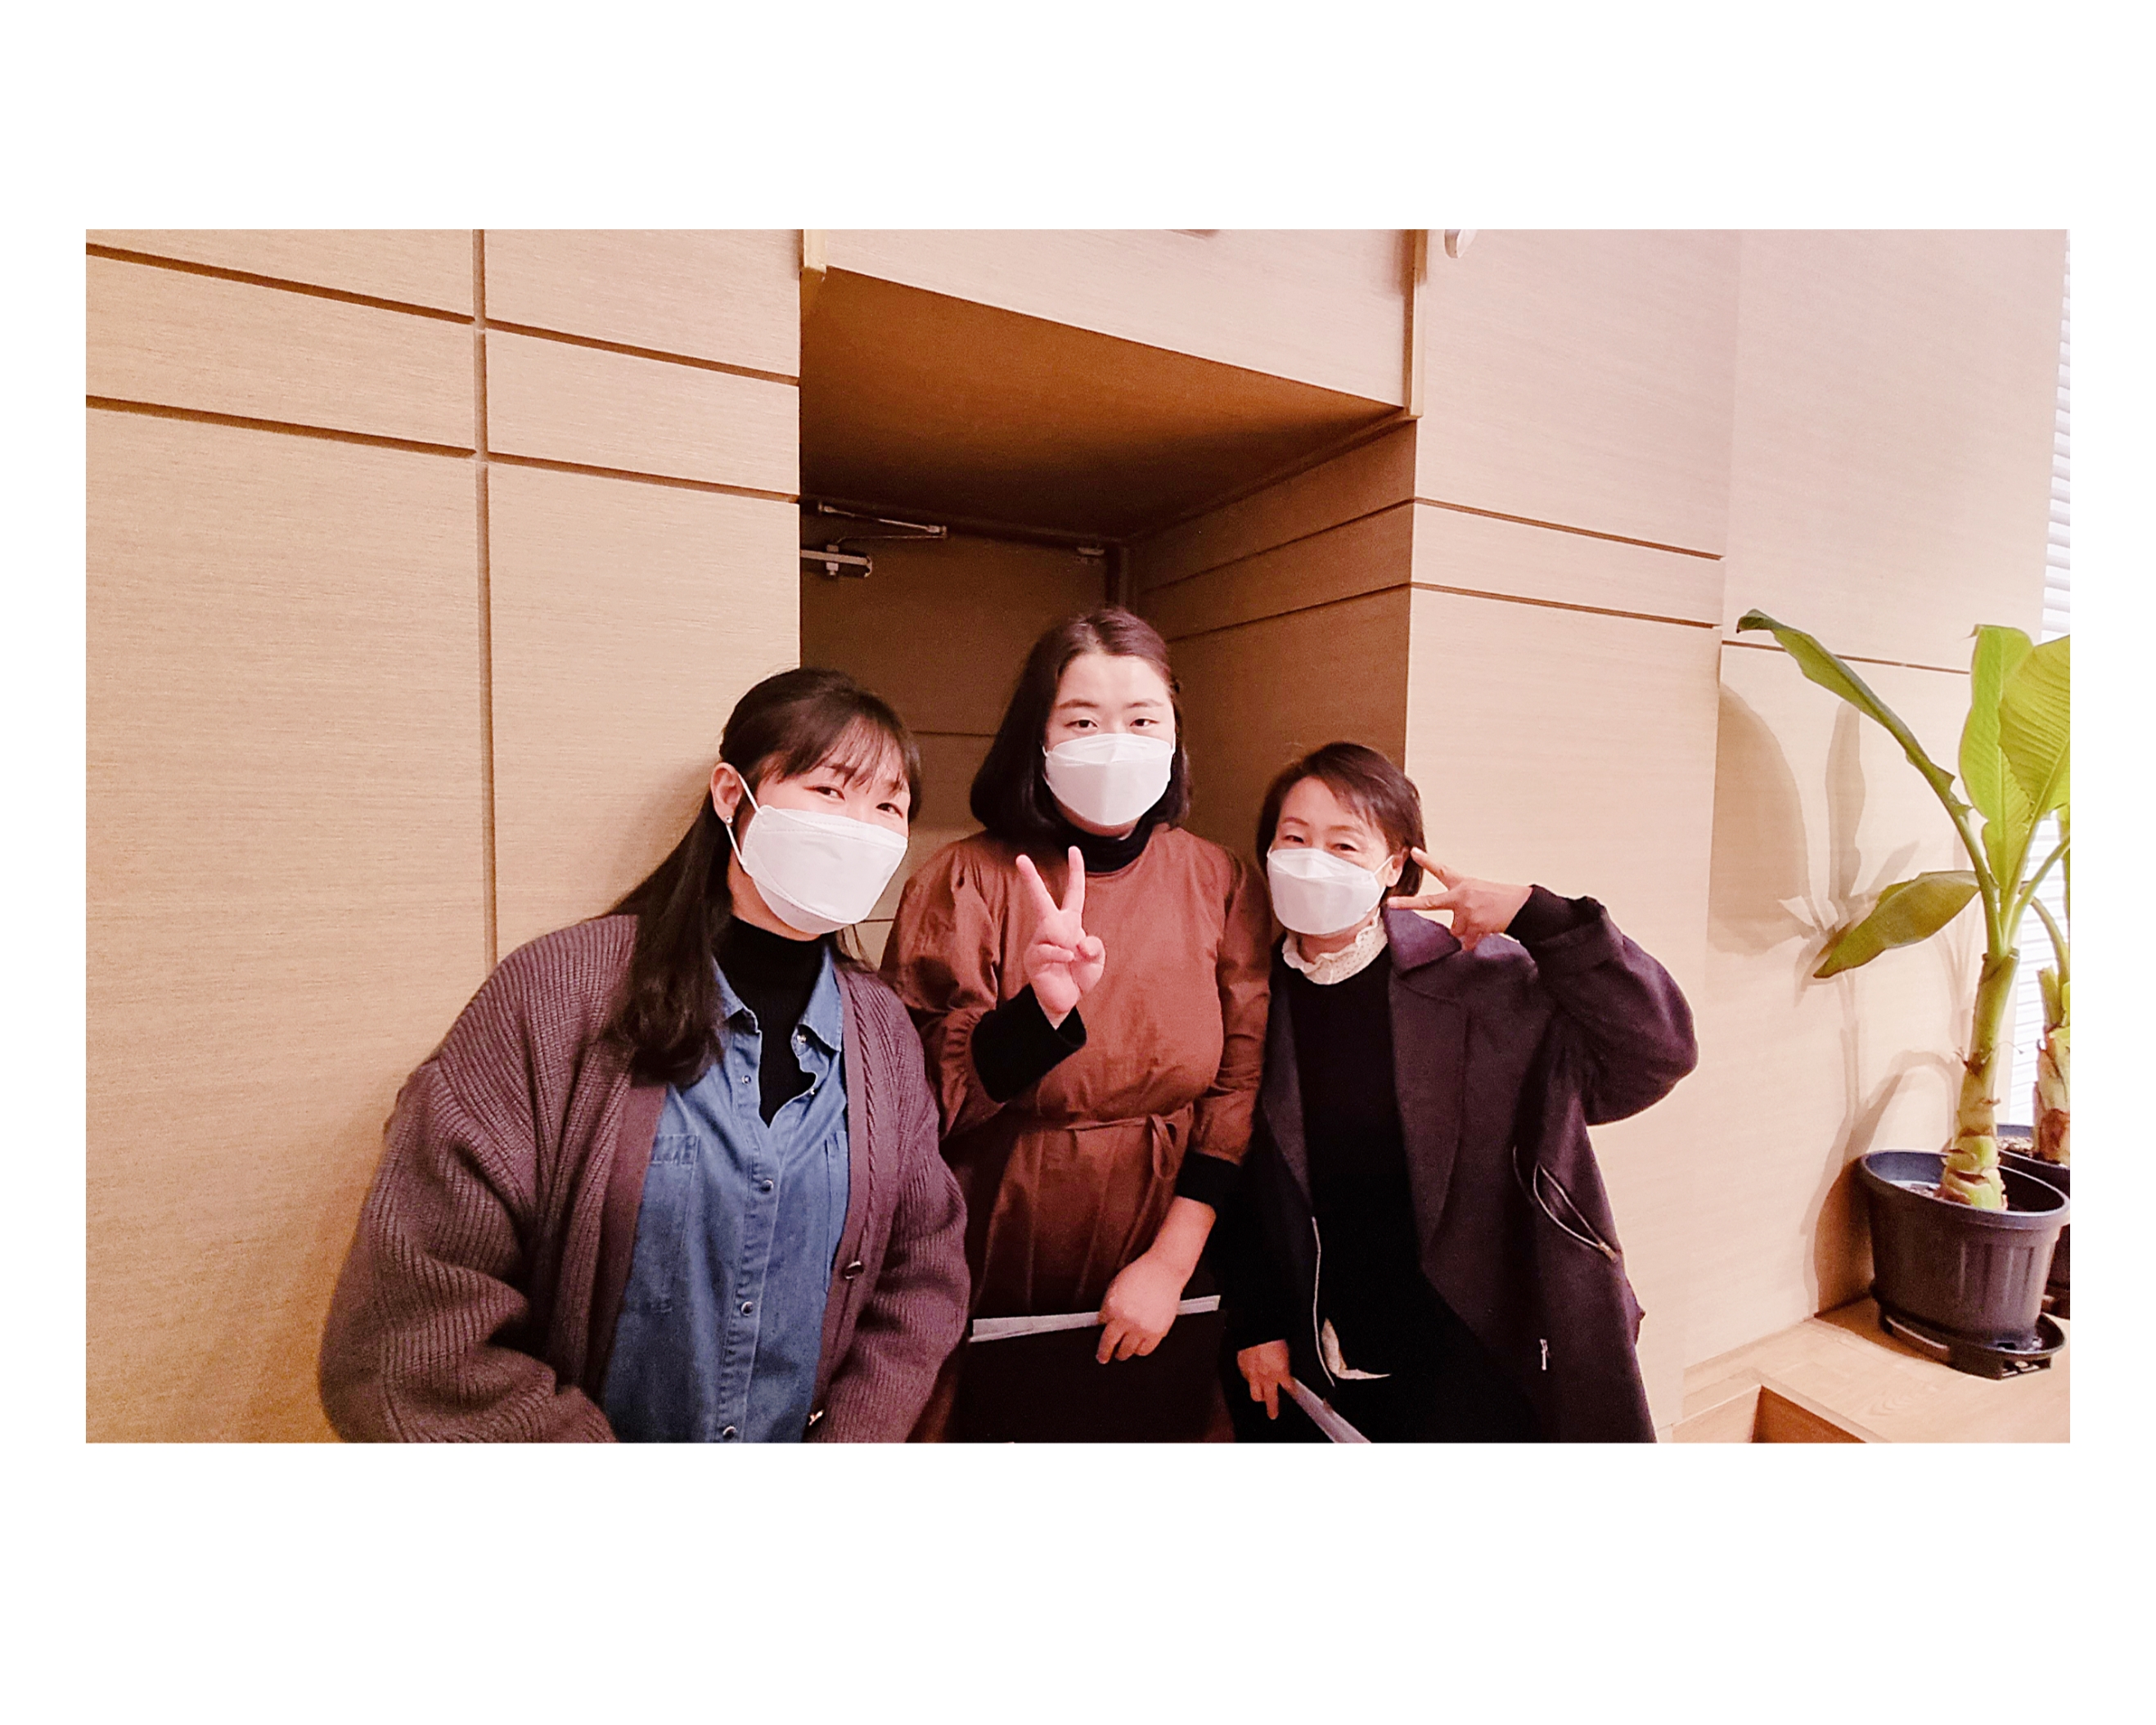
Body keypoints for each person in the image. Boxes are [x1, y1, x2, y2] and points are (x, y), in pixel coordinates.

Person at [318, 668, 970, 1442]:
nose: (860, 826)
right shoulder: (556, 993)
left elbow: (921, 1272)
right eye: (829, 791)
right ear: (731, 795)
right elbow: (415, 1327)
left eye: (888, 806)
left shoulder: (881, 1030)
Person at [1217, 742, 1696, 1443]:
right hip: (1326, 1344)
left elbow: (1655, 1054)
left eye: (1344, 844)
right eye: (1293, 838)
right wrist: (1257, 1318)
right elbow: (1242, 1169)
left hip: (1481, 1348)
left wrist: (1539, 917)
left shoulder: (1476, 979)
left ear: (1393, 866)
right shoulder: (1251, 995)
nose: (1313, 859)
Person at [881, 607, 1271, 1439]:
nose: (1114, 744)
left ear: (1174, 737)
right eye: (1083, 721)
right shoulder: (964, 879)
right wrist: (1042, 1010)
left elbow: (1237, 1085)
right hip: (995, 1229)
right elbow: (913, 1099)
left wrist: (1170, 1262)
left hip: (1167, 1225)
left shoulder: (1217, 879)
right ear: (1038, 736)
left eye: (1142, 720)